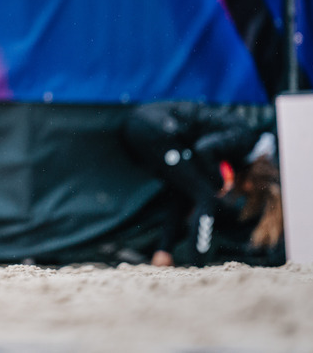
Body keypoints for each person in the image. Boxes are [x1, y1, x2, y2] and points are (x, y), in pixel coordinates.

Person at [121, 102, 284, 267]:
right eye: (250, 190)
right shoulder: (244, 138)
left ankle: (163, 253)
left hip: (148, 126)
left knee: (183, 192)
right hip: (155, 128)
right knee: (206, 197)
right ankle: (198, 264)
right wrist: (219, 180)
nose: (244, 192)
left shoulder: (241, 141)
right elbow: (204, 148)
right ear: (254, 176)